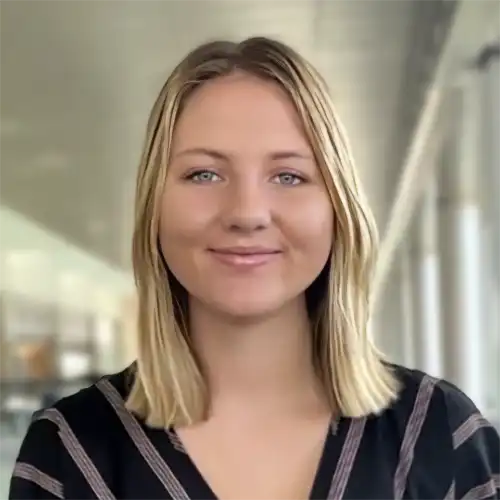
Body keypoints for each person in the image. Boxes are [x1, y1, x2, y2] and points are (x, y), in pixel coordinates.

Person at [9, 36, 500, 500]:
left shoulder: (440, 434)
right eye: (204, 173)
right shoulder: (70, 454)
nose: (246, 212)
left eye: (289, 175)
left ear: (338, 210)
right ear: (153, 207)